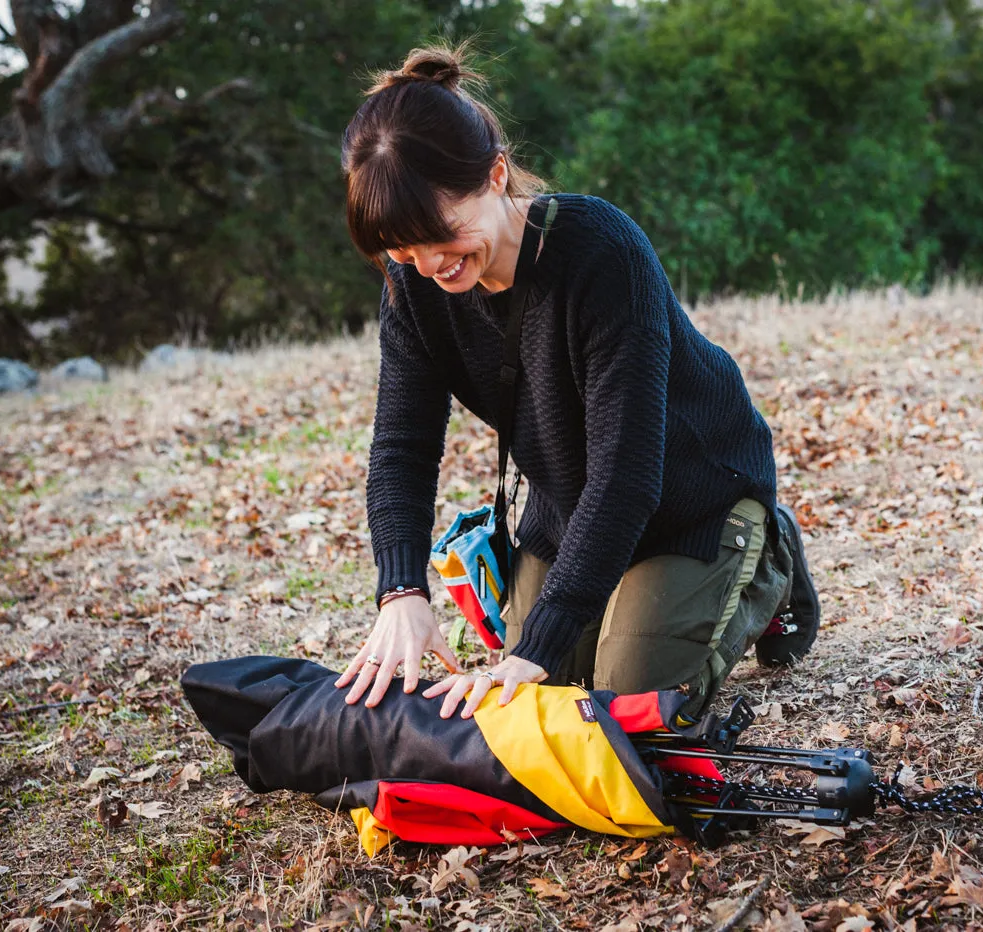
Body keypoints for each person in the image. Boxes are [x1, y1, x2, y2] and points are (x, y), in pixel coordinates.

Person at [333, 44, 820, 721]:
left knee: (617, 714)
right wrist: (401, 592)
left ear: (496, 175)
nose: (428, 265)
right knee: (536, 710)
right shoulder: (413, 288)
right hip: (570, 511)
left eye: (441, 234)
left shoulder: (602, 253)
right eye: (401, 249)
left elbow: (627, 474)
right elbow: (402, 450)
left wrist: (536, 647)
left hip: (692, 500)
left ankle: (768, 558)